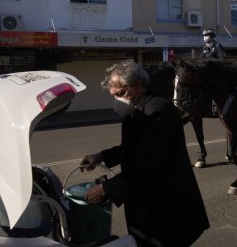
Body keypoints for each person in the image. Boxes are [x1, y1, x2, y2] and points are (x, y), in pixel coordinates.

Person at [81, 59, 209, 247]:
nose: (117, 99)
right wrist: (101, 156)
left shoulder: (158, 112)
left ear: (138, 86)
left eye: (121, 93)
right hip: (149, 205)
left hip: (166, 210)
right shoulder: (138, 109)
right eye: (113, 95)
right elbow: (133, 147)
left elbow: (145, 165)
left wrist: (105, 189)